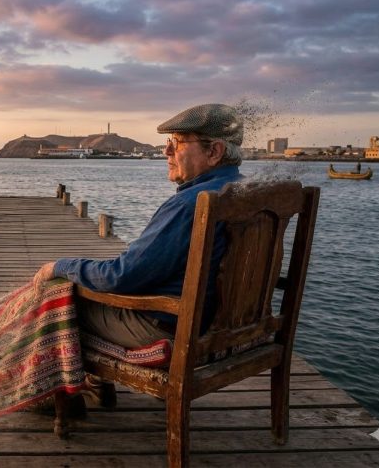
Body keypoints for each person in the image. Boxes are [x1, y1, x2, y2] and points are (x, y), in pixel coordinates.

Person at [32, 103, 245, 403]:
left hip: (172, 330)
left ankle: (49, 394)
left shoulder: (191, 205)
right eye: (167, 144)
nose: (166, 153)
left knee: (56, 295)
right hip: (226, 328)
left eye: (177, 143)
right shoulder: (246, 193)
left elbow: (122, 277)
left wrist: (60, 266)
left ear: (214, 152)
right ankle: (94, 380)